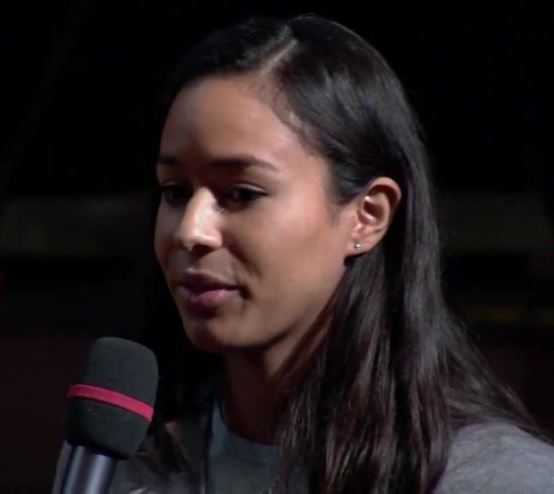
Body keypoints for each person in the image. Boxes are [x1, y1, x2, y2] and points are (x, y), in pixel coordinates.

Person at [55, 14, 554, 493]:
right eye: (175, 192)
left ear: (368, 215)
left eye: (242, 193)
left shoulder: (495, 479)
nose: (191, 231)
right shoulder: (122, 468)